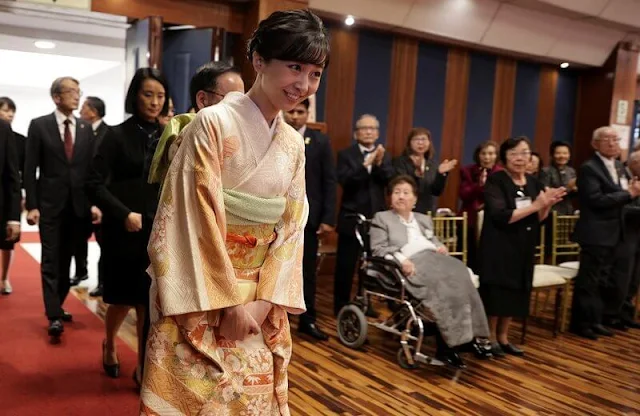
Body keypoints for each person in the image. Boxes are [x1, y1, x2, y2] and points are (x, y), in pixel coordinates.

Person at [140, 9, 329, 415]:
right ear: (259, 60)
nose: (303, 84)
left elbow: (292, 225)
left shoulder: (293, 144)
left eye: (315, 73)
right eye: (294, 66)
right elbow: (191, 217)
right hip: (203, 298)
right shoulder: (212, 124)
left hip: (261, 300)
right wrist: (228, 304)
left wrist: (260, 304)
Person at [86, 68, 169, 383]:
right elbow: (93, 183)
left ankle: (143, 366)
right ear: (135, 95)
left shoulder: (168, 134)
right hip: (123, 230)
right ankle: (109, 343)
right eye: (148, 94)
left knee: (147, 299)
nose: (154, 102)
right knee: (121, 297)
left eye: (160, 96)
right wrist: (123, 213)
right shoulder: (115, 134)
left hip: (156, 230)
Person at [370, 175, 492, 368]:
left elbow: (432, 240)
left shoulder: (423, 219)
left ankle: (473, 338)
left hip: (435, 258)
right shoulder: (382, 218)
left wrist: (440, 247)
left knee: (462, 276)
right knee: (444, 289)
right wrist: (402, 260)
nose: (401, 197)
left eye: (406, 193)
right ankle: (447, 348)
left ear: (415, 199)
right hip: (412, 262)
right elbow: (378, 249)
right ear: (390, 197)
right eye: (397, 192)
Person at [24, 77, 100, 340]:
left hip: (78, 208)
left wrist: (93, 203)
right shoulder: (39, 125)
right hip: (49, 206)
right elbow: (29, 168)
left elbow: (90, 171)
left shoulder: (85, 127)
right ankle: (54, 314)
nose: (77, 96)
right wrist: (32, 205)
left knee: (68, 260)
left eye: (79, 92)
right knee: (50, 260)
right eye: (72, 92)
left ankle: (57, 304)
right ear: (57, 97)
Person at [478, 137, 565, 356]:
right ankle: (489, 338)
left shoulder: (533, 183)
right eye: (514, 153)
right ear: (505, 157)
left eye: (525, 153)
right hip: (499, 246)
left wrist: (545, 206)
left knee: (516, 293)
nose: (520, 158)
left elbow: (539, 219)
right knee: (497, 294)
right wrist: (536, 205)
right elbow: (500, 215)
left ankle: (504, 337)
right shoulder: (496, 181)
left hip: (524, 246)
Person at [570, 126, 640, 339]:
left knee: (604, 279)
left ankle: (596, 320)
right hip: (595, 232)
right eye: (607, 140)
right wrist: (628, 194)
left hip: (615, 232)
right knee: (588, 280)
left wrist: (627, 194)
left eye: (615, 139)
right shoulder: (589, 167)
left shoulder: (619, 166)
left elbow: (619, 196)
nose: (612, 143)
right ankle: (581, 323)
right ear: (595, 144)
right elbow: (595, 200)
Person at [284, 97, 336, 341]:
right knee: (279, 269)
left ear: (307, 113)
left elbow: (329, 181)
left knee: (307, 272)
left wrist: (327, 218)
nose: (295, 115)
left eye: (300, 111)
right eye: (291, 111)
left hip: (309, 218)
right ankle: (278, 320)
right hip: (280, 216)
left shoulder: (320, 141)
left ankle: (308, 320)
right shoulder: (277, 134)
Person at [334, 114, 394, 316]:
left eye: (373, 128)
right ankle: (341, 305)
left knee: (369, 266)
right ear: (356, 133)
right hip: (352, 218)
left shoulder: (384, 155)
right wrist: (365, 165)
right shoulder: (346, 154)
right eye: (364, 128)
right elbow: (345, 182)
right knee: (346, 265)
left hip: (375, 220)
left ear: (377, 133)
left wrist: (377, 164)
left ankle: (366, 302)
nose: (369, 131)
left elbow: (389, 180)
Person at [148, 61, 245, 186]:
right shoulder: (175, 142)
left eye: (242, 100)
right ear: (202, 99)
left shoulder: (244, 140)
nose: (239, 107)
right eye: (231, 100)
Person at [78, 96, 109, 295]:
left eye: (84, 107)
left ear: (93, 111)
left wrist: (100, 202)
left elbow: (106, 171)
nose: (80, 110)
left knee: (103, 244)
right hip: (84, 197)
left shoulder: (107, 134)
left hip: (101, 199)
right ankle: (81, 271)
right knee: (80, 238)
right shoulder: (83, 132)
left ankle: (103, 282)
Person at [458, 140, 501, 271]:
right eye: (483, 153)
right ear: (478, 155)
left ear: (496, 156)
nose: (487, 157)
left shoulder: (501, 173)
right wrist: (480, 186)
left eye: (491, 153)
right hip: (469, 220)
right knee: (469, 258)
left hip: (492, 221)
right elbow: (464, 194)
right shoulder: (467, 171)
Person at [392, 127, 457, 214]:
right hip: (407, 210)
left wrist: (441, 174)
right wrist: (418, 173)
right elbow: (403, 186)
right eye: (416, 139)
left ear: (429, 143)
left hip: (428, 211)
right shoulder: (400, 162)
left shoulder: (432, 164)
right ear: (409, 143)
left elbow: (436, 191)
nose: (420, 143)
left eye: (424, 139)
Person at [0, 97, 25, 295]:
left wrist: (14, 216)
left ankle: (4, 278)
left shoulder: (5, 131)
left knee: (7, 243)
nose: (9, 114)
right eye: (5, 109)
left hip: (3, 202)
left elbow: (12, 174)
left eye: (11, 110)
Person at [540, 141, 577, 215]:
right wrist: (568, 187)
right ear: (552, 155)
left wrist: (576, 189)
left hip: (568, 210)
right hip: (552, 211)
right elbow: (547, 194)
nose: (562, 156)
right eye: (558, 153)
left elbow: (573, 195)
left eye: (565, 153)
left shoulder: (571, 171)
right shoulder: (546, 171)